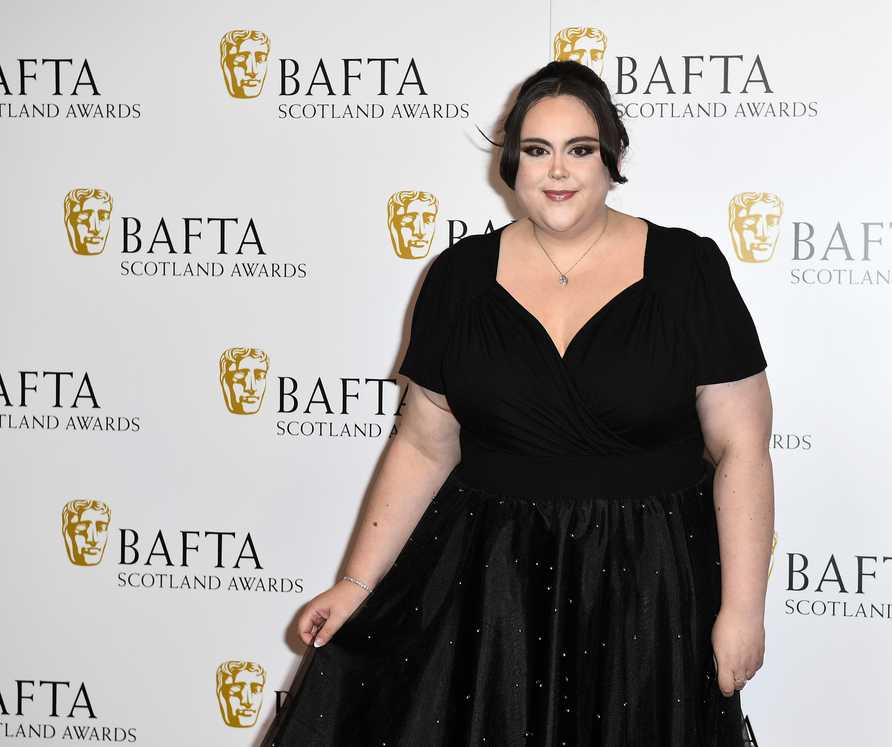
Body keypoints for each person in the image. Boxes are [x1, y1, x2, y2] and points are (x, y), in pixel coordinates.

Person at [262, 59, 774, 746]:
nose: (557, 171)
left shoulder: (689, 271)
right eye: (537, 150)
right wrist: (354, 583)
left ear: (611, 157)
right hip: (492, 586)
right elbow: (423, 442)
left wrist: (742, 608)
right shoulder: (459, 278)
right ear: (512, 163)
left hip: (648, 583)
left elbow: (742, 448)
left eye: (580, 149)